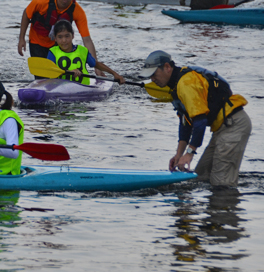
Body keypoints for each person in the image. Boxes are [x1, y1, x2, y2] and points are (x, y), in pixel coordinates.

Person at [138, 51, 251, 187]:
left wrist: (190, 153)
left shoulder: (186, 83)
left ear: (167, 67)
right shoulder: (175, 87)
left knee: (222, 183)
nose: (152, 79)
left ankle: (224, 204)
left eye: (154, 74)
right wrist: (179, 155)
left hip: (234, 125)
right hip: (222, 127)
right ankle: (204, 207)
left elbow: (200, 121)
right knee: (201, 176)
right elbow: (185, 123)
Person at [18, 0, 103, 75]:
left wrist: (96, 67)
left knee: (58, 75)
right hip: (37, 42)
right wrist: (21, 38)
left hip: (58, 45)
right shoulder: (41, 1)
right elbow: (26, 15)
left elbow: (87, 40)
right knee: (42, 76)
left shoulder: (77, 11)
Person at [47, 20, 124, 84]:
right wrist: (68, 71)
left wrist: (114, 74)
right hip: (59, 88)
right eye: (60, 37)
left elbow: (96, 64)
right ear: (55, 38)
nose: (64, 40)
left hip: (83, 89)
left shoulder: (82, 50)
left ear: (73, 36)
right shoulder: (53, 52)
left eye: (67, 36)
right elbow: (50, 71)